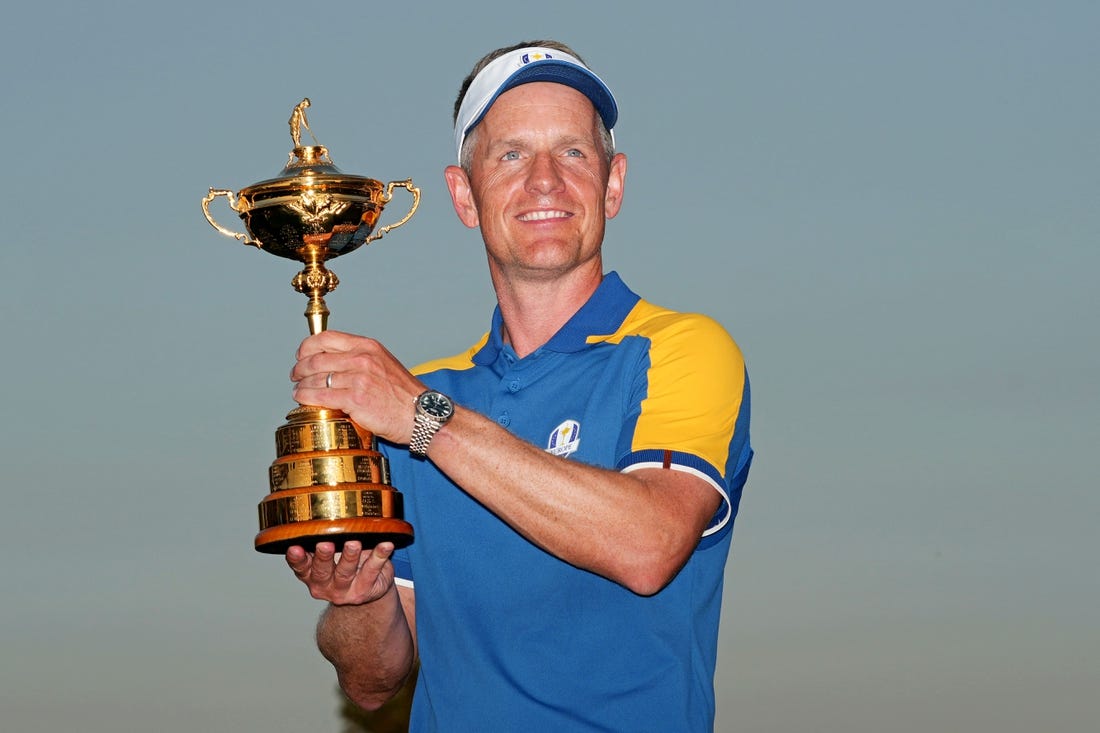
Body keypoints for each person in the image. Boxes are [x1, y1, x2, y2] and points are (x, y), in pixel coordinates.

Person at [285, 40, 753, 732]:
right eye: (510, 155)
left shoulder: (680, 350)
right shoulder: (419, 404)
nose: (544, 181)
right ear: (463, 195)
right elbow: (375, 679)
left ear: (613, 183)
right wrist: (358, 597)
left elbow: (649, 544)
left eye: (572, 153)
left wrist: (423, 417)